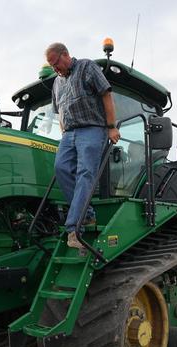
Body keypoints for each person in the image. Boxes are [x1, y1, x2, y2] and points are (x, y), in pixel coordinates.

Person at [45, 42, 121, 252]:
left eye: (56, 63)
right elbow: (60, 109)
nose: (55, 69)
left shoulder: (87, 67)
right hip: (69, 134)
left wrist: (111, 127)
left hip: (92, 129)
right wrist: (63, 132)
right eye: (51, 66)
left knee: (86, 172)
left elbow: (106, 94)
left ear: (66, 55)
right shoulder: (57, 83)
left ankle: (74, 229)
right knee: (61, 168)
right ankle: (86, 215)